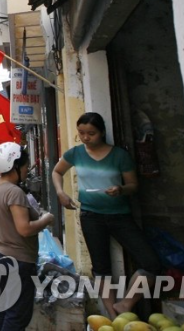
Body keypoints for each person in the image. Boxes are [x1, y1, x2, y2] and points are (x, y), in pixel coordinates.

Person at [52, 112, 162, 318]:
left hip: (120, 216)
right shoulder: (75, 153)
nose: (86, 137)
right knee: (101, 269)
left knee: (151, 263)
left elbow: (133, 185)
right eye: (81, 133)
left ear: (102, 132)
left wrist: (121, 189)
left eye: (91, 133)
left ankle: (125, 304)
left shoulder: (119, 155)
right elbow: (57, 171)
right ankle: (114, 318)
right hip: (90, 216)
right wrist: (60, 193)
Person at [0, 142, 54, 331]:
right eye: (25, 165)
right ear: (15, 166)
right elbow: (24, 229)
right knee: (17, 315)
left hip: (1, 255)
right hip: (18, 261)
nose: (27, 169)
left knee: (4, 306)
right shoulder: (14, 192)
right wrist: (46, 219)